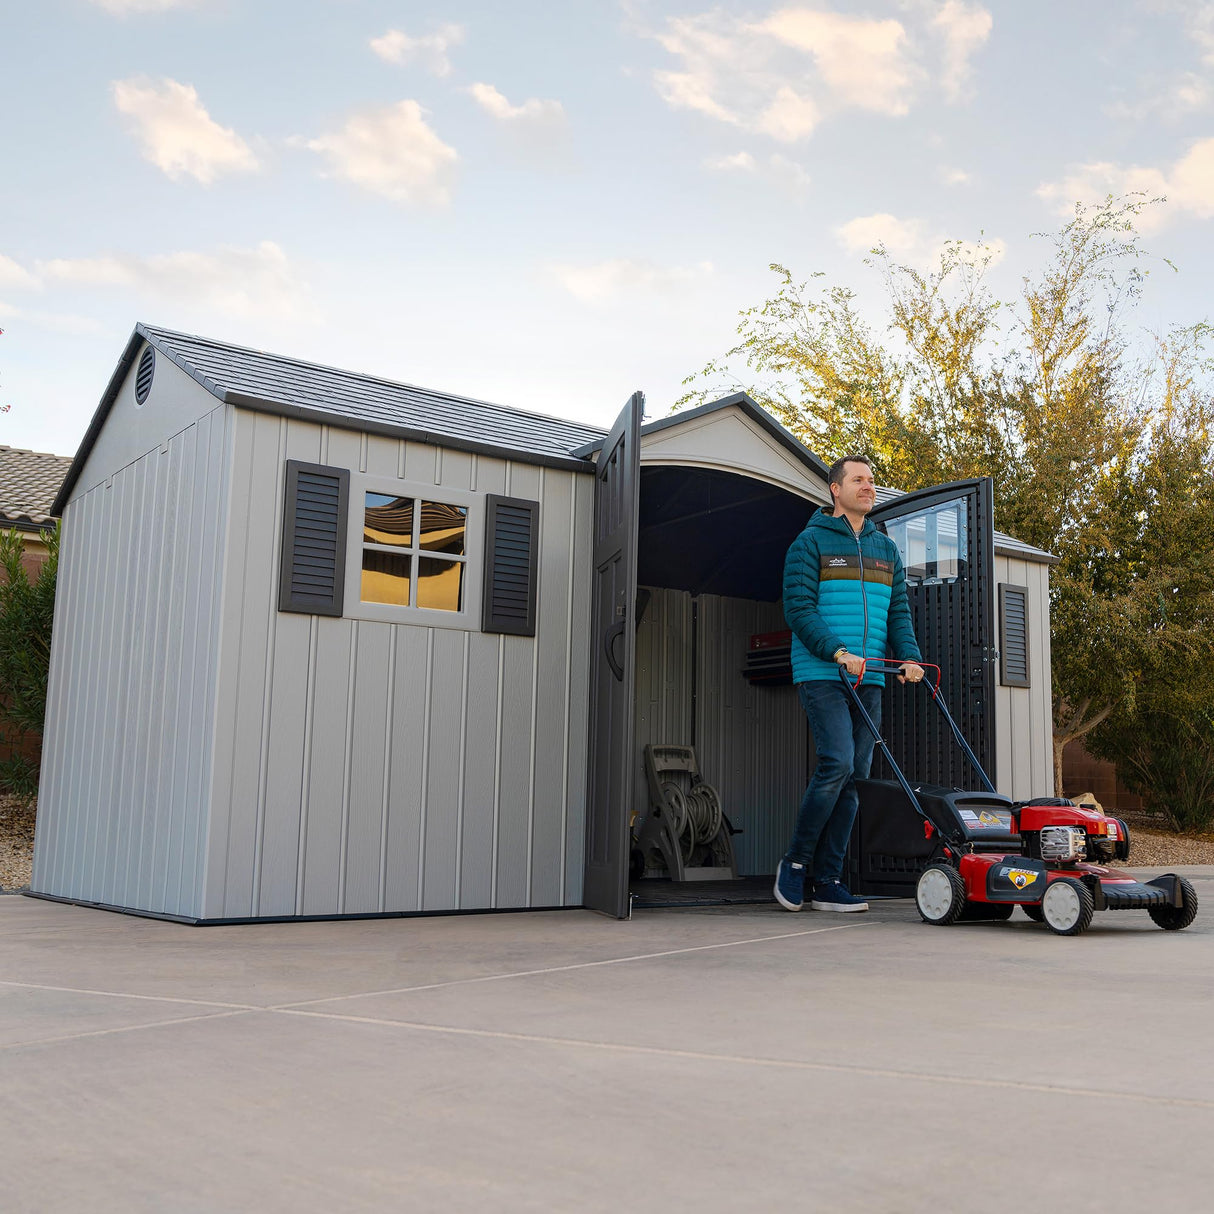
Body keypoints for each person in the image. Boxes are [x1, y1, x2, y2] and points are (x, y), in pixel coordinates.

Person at [775, 455, 924, 913]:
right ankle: (796, 864)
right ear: (835, 490)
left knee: (857, 778)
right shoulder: (809, 543)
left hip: (871, 677)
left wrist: (911, 658)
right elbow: (799, 610)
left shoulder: (887, 550)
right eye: (858, 480)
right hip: (824, 672)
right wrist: (839, 652)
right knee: (837, 762)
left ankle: (829, 879)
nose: (869, 487)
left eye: (872, 480)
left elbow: (897, 612)